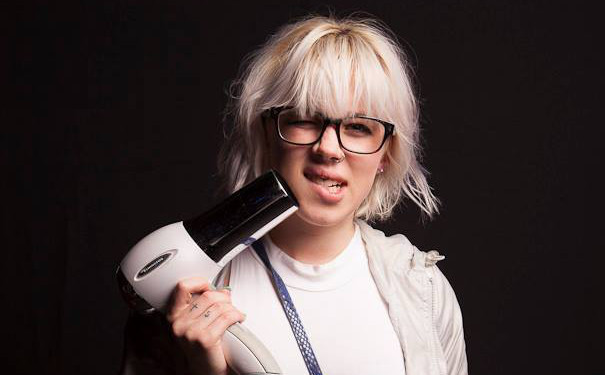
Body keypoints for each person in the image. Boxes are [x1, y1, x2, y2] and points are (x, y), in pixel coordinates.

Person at [120, 14, 468, 375]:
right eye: (304, 119)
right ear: (267, 134)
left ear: (386, 154)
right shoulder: (183, 296)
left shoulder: (422, 290)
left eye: (359, 127)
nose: (329, 149)